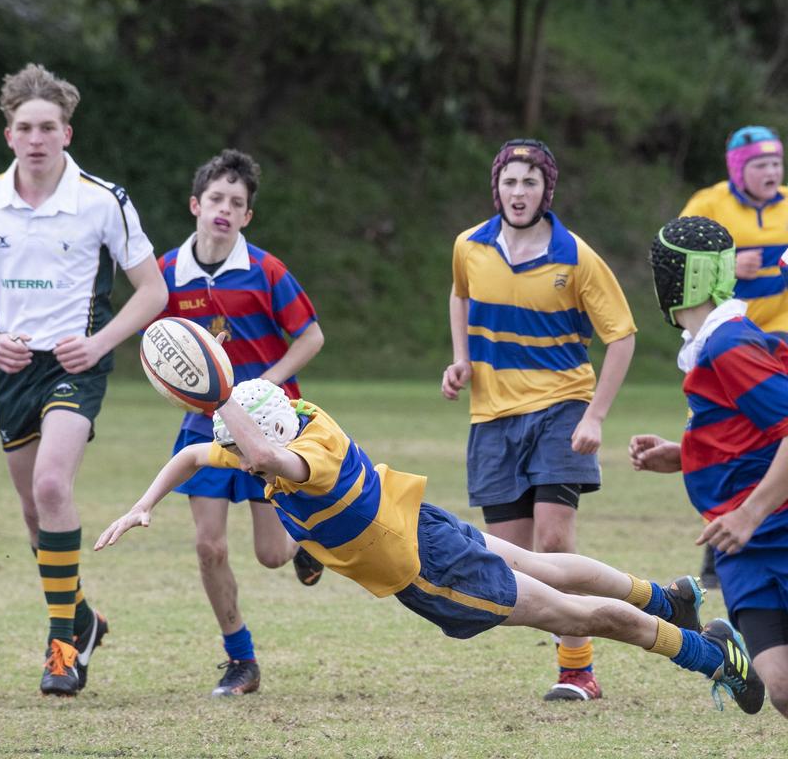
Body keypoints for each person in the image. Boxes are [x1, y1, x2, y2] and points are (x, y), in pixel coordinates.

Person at [97, 377, 764, 714]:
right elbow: (194, 454)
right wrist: (142, 505)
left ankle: (712, 658)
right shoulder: (299, 414)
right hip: (421, 518)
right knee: (540, 562)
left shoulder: (298, 456)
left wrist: (227, 408)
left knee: (573, 614)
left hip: (429, 566)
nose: (243, 465)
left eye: (247, 458)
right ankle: (667, 597)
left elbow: (267, 454)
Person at [0, 63, 168, 696]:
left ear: (67, 133)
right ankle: (83, 618)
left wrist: (100, 341)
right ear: (9, 135)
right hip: (14, 370)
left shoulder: (104, 200)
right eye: (26, 127)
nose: (37, 138)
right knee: (34, 513)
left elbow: (153, 291)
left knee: (52, 484)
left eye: (49, 126)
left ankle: (61, 651)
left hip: (77, 366)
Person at [441, 139, 637, 701]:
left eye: (529, 182)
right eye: (509, 181)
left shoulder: (575, 256)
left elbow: (621, 337)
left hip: (562, 407)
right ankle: (590, 627)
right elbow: (459, 296)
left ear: (546, 190)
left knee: (554, 541)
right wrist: (462, 359)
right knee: (511, 565)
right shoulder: (469, 247)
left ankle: (577, 670)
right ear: (495, 187)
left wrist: (595, 415)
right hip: (493, 418)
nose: (518, 192)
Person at [153, 149, 325, 696]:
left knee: (272, 555)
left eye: (237, 203)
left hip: (267, 427)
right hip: (204, 427)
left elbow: (312, 336)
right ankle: (240, 659)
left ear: (247, 216)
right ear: (195, 205)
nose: (224, 210)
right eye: (216, 200)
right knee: (209, 547)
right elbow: (154, 341)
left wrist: (266, 384)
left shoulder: (265, 270)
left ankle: (306, 547)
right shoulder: (164, 275)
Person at [630, 215, 788, 719]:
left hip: (772, 529)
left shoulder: (729, 345)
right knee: (781, 688)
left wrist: (749, 514)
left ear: (676, 279)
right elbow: (747, 431)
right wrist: (685, 454)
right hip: (743, 550)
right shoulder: (708, 346)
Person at [679, 125, 788, 589]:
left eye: (777, 163)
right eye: (761, 164)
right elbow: (680, 255)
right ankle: (720, 544)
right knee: (720, 443)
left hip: (778, 340)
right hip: (725, 341)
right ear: (738, 169)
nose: (772, 172)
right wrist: (734, 262)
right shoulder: (709, 203)